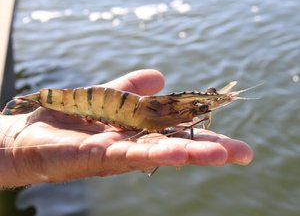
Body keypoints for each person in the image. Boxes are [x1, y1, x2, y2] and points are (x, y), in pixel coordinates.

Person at [0, 69, 253, 188]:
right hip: (87, 104)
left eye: (200, 107)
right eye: (200, 106)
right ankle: (31, 102)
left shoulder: (170, 110)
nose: (201, 110)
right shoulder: (161, 111)